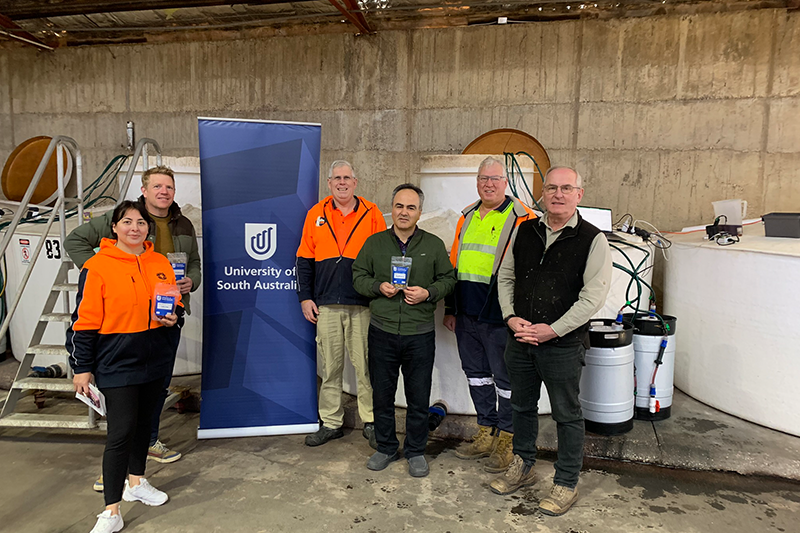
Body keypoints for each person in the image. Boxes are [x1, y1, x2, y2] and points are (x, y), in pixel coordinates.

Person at [64, 165, 201, 489]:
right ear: (144, 190)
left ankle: (147, 447)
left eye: (169, 187)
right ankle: (116, 472)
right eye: (157, 186)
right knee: (123, 415)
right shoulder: (126, 218)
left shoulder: (183, 223)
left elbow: (194, 262)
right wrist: (98, 272)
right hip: (122, 332)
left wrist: (191, 281)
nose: (164, 192)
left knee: (156, 390)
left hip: (164, 322)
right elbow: (75, 240)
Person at [491, 166, 612, 516]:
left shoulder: (592, 239)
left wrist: (554, 329)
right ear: (542, 193)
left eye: (566, 188)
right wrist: (510, 316)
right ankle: (523, 465)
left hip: (562, 345)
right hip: (520, 340)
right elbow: (506, 276)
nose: (558, 194)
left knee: (567, 415)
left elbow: (592, 298)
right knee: (521, 407)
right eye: (552, 188)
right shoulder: (525, 230)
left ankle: (566, 482)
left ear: (579, 195)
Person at [67, 201, 183, 533]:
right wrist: (82, 367)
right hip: (116, 361)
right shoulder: (97, 266)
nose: (135, 228)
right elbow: (84, 322)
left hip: (155, 356)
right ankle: (111, 510)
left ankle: (137, 482)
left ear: (148, 228)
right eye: (127, 222)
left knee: (145, 424)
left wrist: (174, 315)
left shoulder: (159, 262)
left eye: (141, 222)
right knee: (120, 433)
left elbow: (172, 300)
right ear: (114, 227)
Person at [352, 183, 456, 478]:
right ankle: (386, 447)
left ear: (420, 212)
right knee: (382, 395)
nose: (404, 212)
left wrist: (428, 293)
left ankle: (415, 450)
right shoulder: (374, 243)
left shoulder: (433, 245)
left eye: (411, 207)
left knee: (418, 397)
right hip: (382, 331)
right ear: (392, 209)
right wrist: (377, 287)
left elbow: (449, 279)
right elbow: (358, 275)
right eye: (399, 206)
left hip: (419, 334)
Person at [443, 156, 536, 474]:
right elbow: (456, 263)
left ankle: (507, 439)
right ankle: (486, 431)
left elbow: (528, 272)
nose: (489, 184)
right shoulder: (467, 216)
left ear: (506, 182)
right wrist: (451, 308)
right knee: (476, 375)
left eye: (495, 178)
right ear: (477, 182)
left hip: (500, 315)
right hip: (466, 311)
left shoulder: (523, 217)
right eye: (484, 178)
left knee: (506, 381)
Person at [296, 160, 386, 448]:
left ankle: (371, 421)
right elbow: (304, 259)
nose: (342, 182)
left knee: (366, 367)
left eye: (347, 177)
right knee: (330, 368)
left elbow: (384, 257)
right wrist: (305, 297)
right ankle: (331, 423)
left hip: (363, 304)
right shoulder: (316, 214)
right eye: (337, 178)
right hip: (327, 305)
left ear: (355, 182)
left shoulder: (372, 213)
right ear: (329, 183)